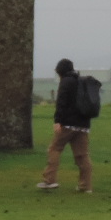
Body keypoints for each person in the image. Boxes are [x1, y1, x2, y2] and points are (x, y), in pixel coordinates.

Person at [37, 59, 95, 193]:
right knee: (82, 155)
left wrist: (58, 120)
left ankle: (50, 180)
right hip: (83, 125)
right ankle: (85, 186)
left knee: (54, 149)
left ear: (60, 71)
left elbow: (61, 102)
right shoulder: (81, 81)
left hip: (68, 123)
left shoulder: (66, 82)